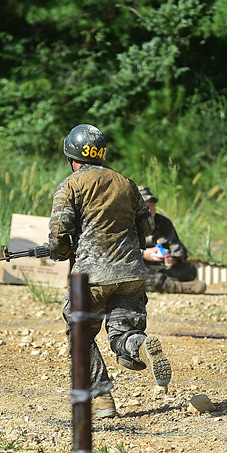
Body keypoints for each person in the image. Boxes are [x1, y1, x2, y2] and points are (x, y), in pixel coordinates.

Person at [40, 124, 172, 420]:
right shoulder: (126, 183)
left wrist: (60, 252)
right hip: (131, 273)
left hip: (91, 277)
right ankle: (139, 346)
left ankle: (102, 399)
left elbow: (60, 234)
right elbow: (146, 229)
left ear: (72, 157)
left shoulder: (71, 185)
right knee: (125, 332)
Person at [138, 185, 207, 294]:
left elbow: (178, 247)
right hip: (141, 267)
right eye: (145, 206)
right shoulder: (128, 223)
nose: (149, 209)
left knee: (190, 269)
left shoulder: (164, 223)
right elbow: (120, 252)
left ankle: (162, 282)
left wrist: (173, 259)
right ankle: (173, 286)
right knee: (129, 274)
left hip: (162, 267)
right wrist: (144, 254)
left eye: (151, 205)